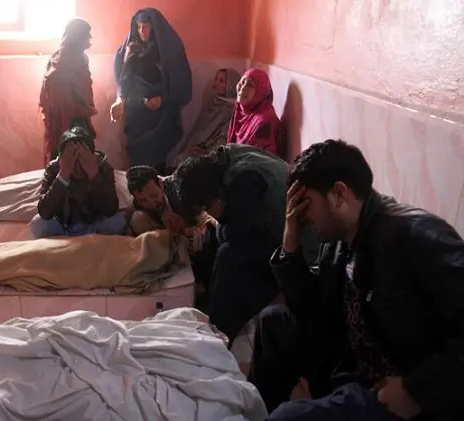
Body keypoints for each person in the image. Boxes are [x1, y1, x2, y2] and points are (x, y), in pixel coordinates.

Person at [251, 139, 464, 420]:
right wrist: (290, 245)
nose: (301, 216)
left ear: (339, 194)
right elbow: (311, 309)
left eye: (306, 204)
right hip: (351, 357)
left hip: (395, 385)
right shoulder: (340, 239)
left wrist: (415, 390)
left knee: (290, 417)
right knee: (272, 322)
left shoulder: (417, 236)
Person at [172, 144, 318, 346]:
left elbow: (235, 235)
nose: (206, 213)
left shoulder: (245, 179)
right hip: (276, 233)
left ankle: (219, 336)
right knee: (213, 242)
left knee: (228, 256)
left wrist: (217, 225)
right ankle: (213, 313)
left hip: (302, 250)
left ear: (213, 196)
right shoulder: (227, 156)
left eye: (205, 208)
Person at [110, 8, 192, 176]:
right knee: (136, 160)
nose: (142, 32)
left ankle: (156, 197)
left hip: (160, 115)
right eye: (139, 27)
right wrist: (120, 100)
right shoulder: (130, 48)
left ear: (154, 28)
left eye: (146, 27)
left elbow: (180, 81)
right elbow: (124, 79)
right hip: (136, 114)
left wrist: (163, 99)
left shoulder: (168, 49)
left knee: (156, 161)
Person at [125, 165, 218, 308]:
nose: (151, 203)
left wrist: (191, 229)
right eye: (143, 200)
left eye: (154, 195)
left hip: (197, 244)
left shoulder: (179, 190)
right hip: (168, 252)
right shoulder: (135, 211)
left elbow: (205, 217)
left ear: (161, 184)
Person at [29, 126, 125, 238]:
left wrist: (94, 175)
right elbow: (44, 212)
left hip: (93, 226)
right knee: (38, 223)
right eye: (72, 158)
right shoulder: (53, 168)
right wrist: (63, 175)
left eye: (81, 158)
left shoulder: (103, 167)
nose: (77, 167)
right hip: (63, 227)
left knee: (117, 221)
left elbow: (110, 210)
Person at [39, 18, 96, 162]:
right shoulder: (60, 60)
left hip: (80, 113)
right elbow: (52, 91)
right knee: (64, 152)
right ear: (78, 37)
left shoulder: (82, 58)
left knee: (84, 153)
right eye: (86, 35)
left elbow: (84, 86)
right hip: (64, 116)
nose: (89, 39)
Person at [168, 68, 241, 170]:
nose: (216, 83)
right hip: (197, 148)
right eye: (216, 78)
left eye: (221, 81)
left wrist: (205, 151)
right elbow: (199, 130)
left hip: (212, 154)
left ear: (232, 85)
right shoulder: (212, 101)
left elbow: (224, 140)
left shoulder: (231, 111)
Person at [227, 68, 281, 156]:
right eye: (243, 82)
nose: (243, 87)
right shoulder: (242, 111)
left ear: (261, 92)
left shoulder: (264, 122)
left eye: (250, 85)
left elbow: (259, 161)